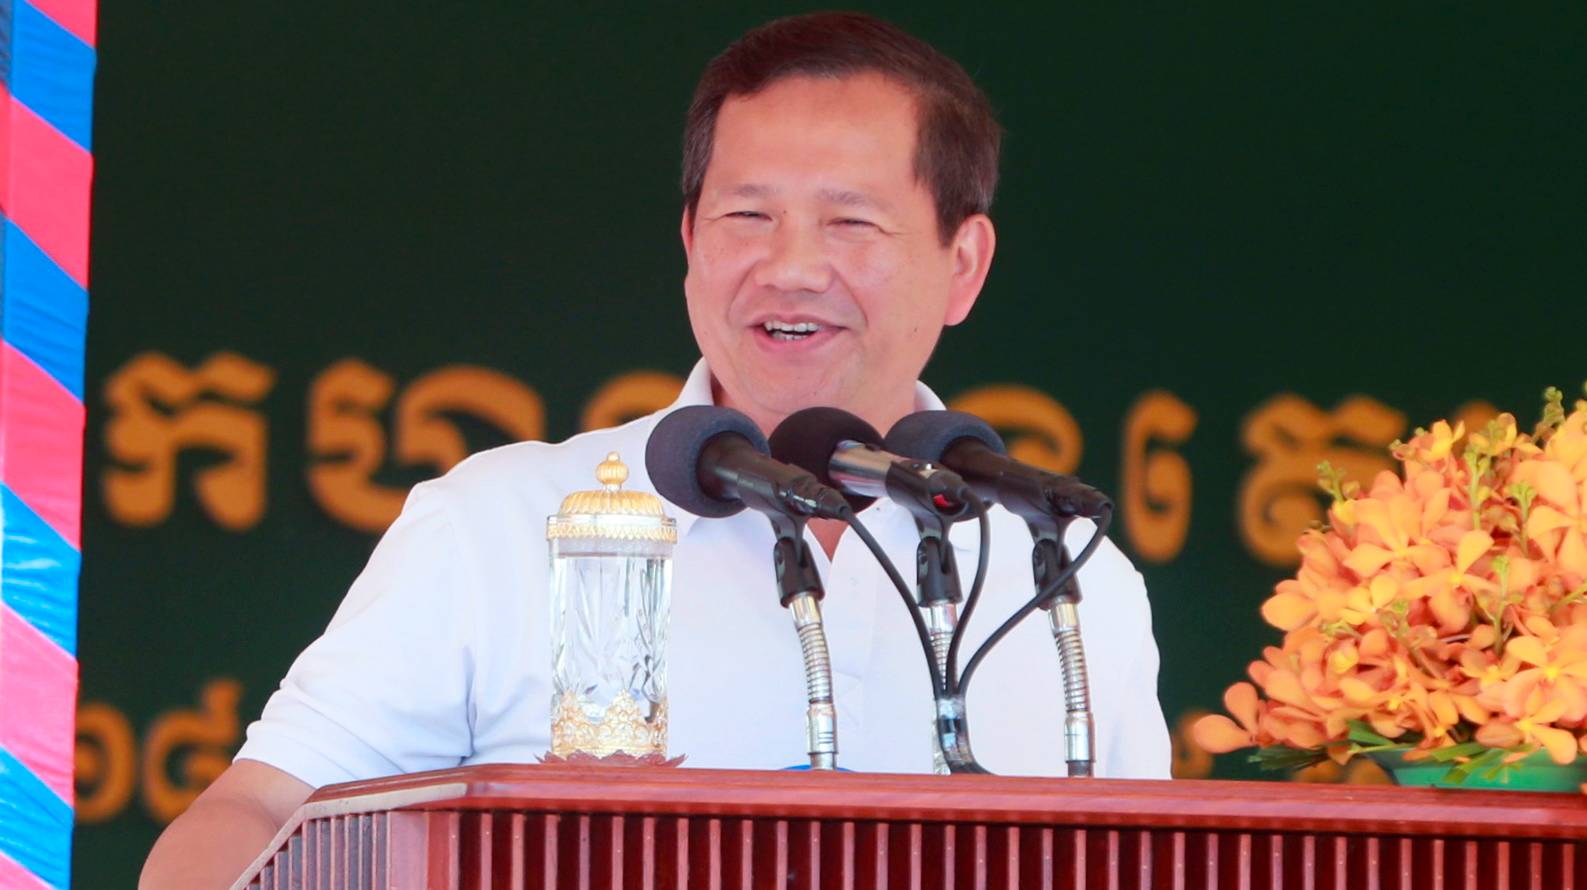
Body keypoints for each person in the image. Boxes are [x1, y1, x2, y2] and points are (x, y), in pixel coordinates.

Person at [141, 12, 1170, 888]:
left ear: (964, 264)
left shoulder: (1067, 579)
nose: (792, 266)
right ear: (690, 244)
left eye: (851, 222)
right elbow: (253, 815)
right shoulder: (501, 521)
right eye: (747, 216)